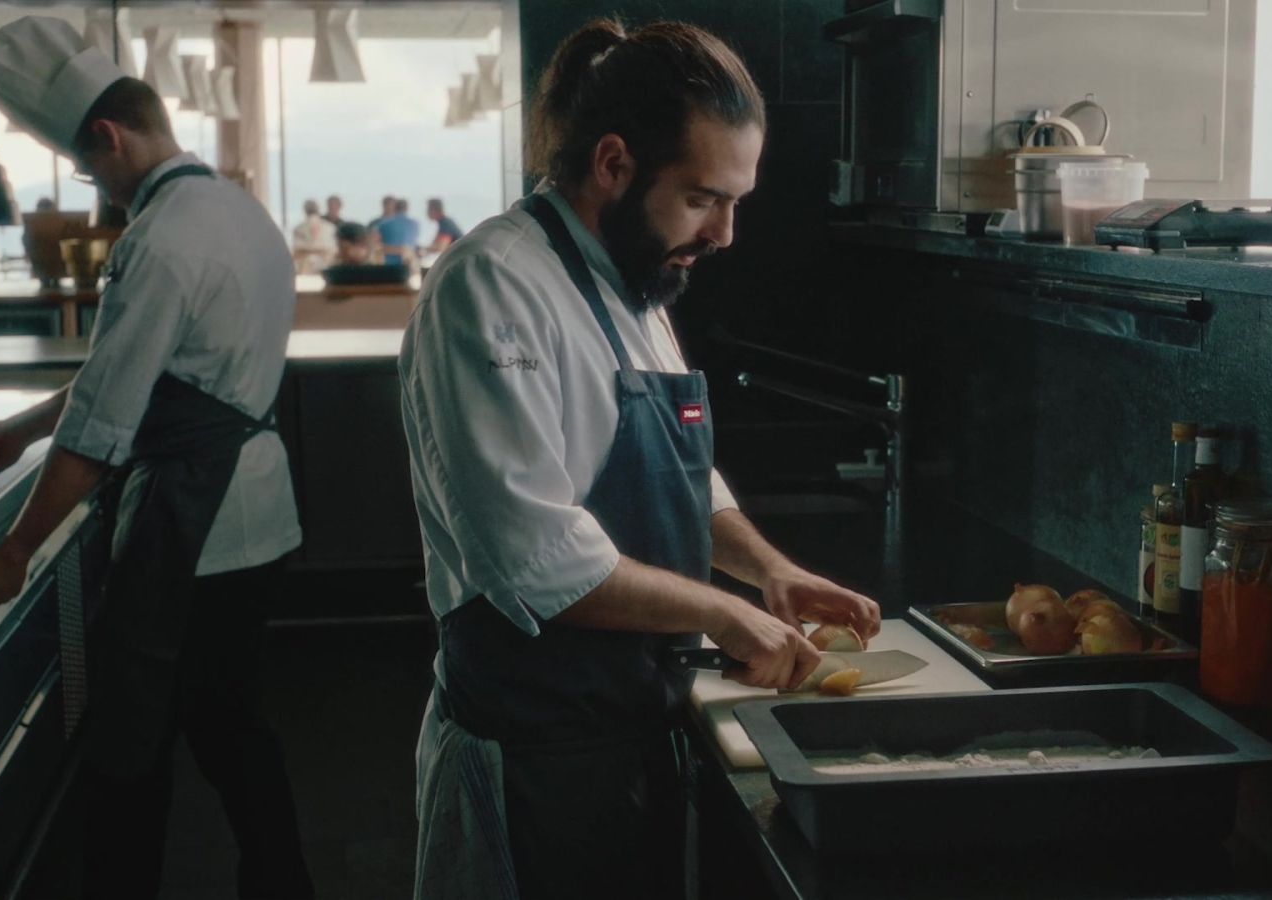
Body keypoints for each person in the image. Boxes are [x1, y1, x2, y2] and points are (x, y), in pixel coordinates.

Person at [401, 18, 880, 900]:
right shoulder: (491, 286)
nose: (727, 232)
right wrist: (727, 617)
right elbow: (537, 560)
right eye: (704, 198)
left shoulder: (638, 279)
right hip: (534, 746)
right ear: (613, 164)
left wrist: (766, 570)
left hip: (634, 723)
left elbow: (678, 475)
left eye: (735, 200)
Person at [0, 16, 313, 899]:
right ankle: (283, 882)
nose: (98, 188)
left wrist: (11, 553)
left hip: (198, 527)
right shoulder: (235, 209)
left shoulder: (157, 239)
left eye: (88, 168)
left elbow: (105, 421)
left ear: (108, 138)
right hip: (259, 517)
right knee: (228, 724)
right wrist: (21, 430)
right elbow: (140, 378)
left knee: (133, 738)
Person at [291, 198, 336, 273]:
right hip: (310, 268)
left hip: (323, 268)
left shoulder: (330, 228)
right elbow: (296, 251)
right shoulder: (330, 228)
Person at [372, 198, 419, 266]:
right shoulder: (415, 224)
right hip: (408, 264)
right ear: (407, 209)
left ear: (394, 208)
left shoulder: (383, 224)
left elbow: (374, 244)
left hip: (387, 266)